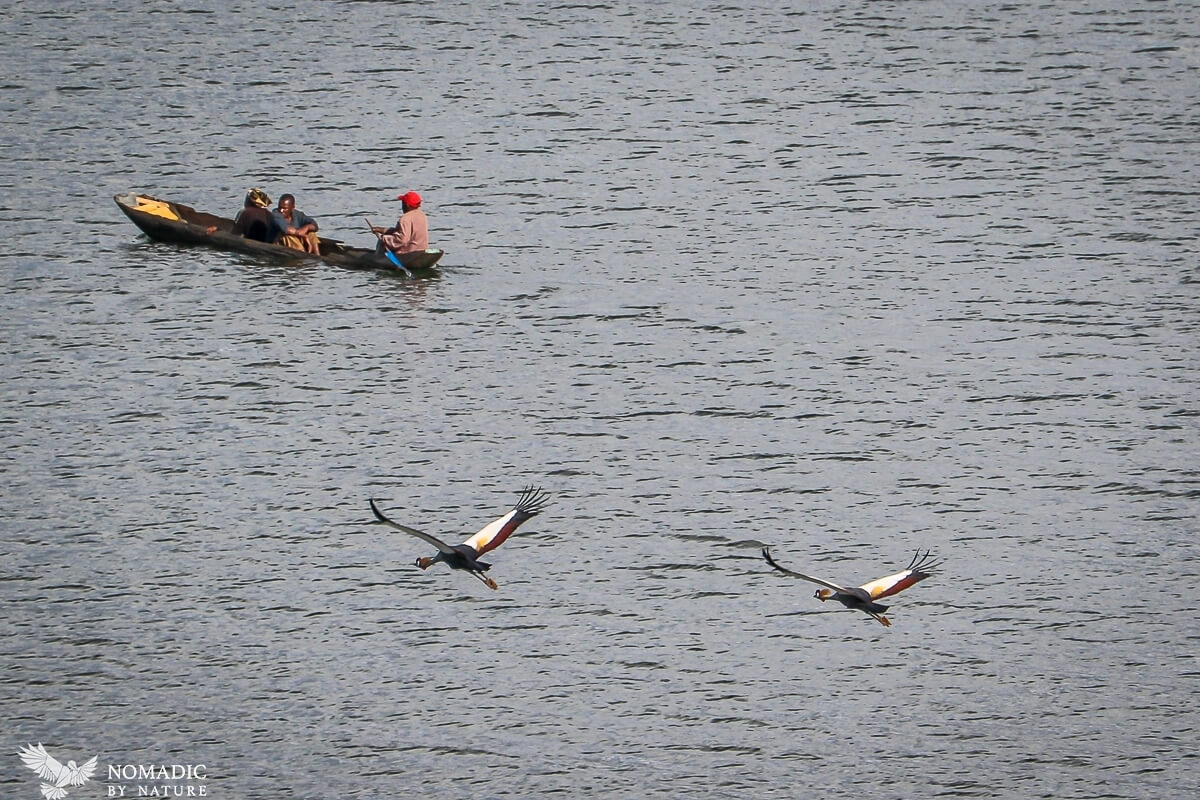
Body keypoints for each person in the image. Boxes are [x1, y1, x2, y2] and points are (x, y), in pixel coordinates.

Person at [208, 188, 282, 243]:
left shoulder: (245, 212)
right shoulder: (268, 213)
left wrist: (219, 230)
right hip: (267, 242)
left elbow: (234, 235)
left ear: (249, 201)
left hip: (253, 243)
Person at [372, 190, 428, 255]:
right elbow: (401, 232)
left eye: (403, 204)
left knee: (382, 240)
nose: (402, 207)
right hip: (421, 250)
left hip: (408, 253)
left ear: (407, 205)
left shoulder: (405, 219)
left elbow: (401, 240)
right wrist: (382, 230)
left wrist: (383, 238)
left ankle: (378, 257)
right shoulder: (422, 215)